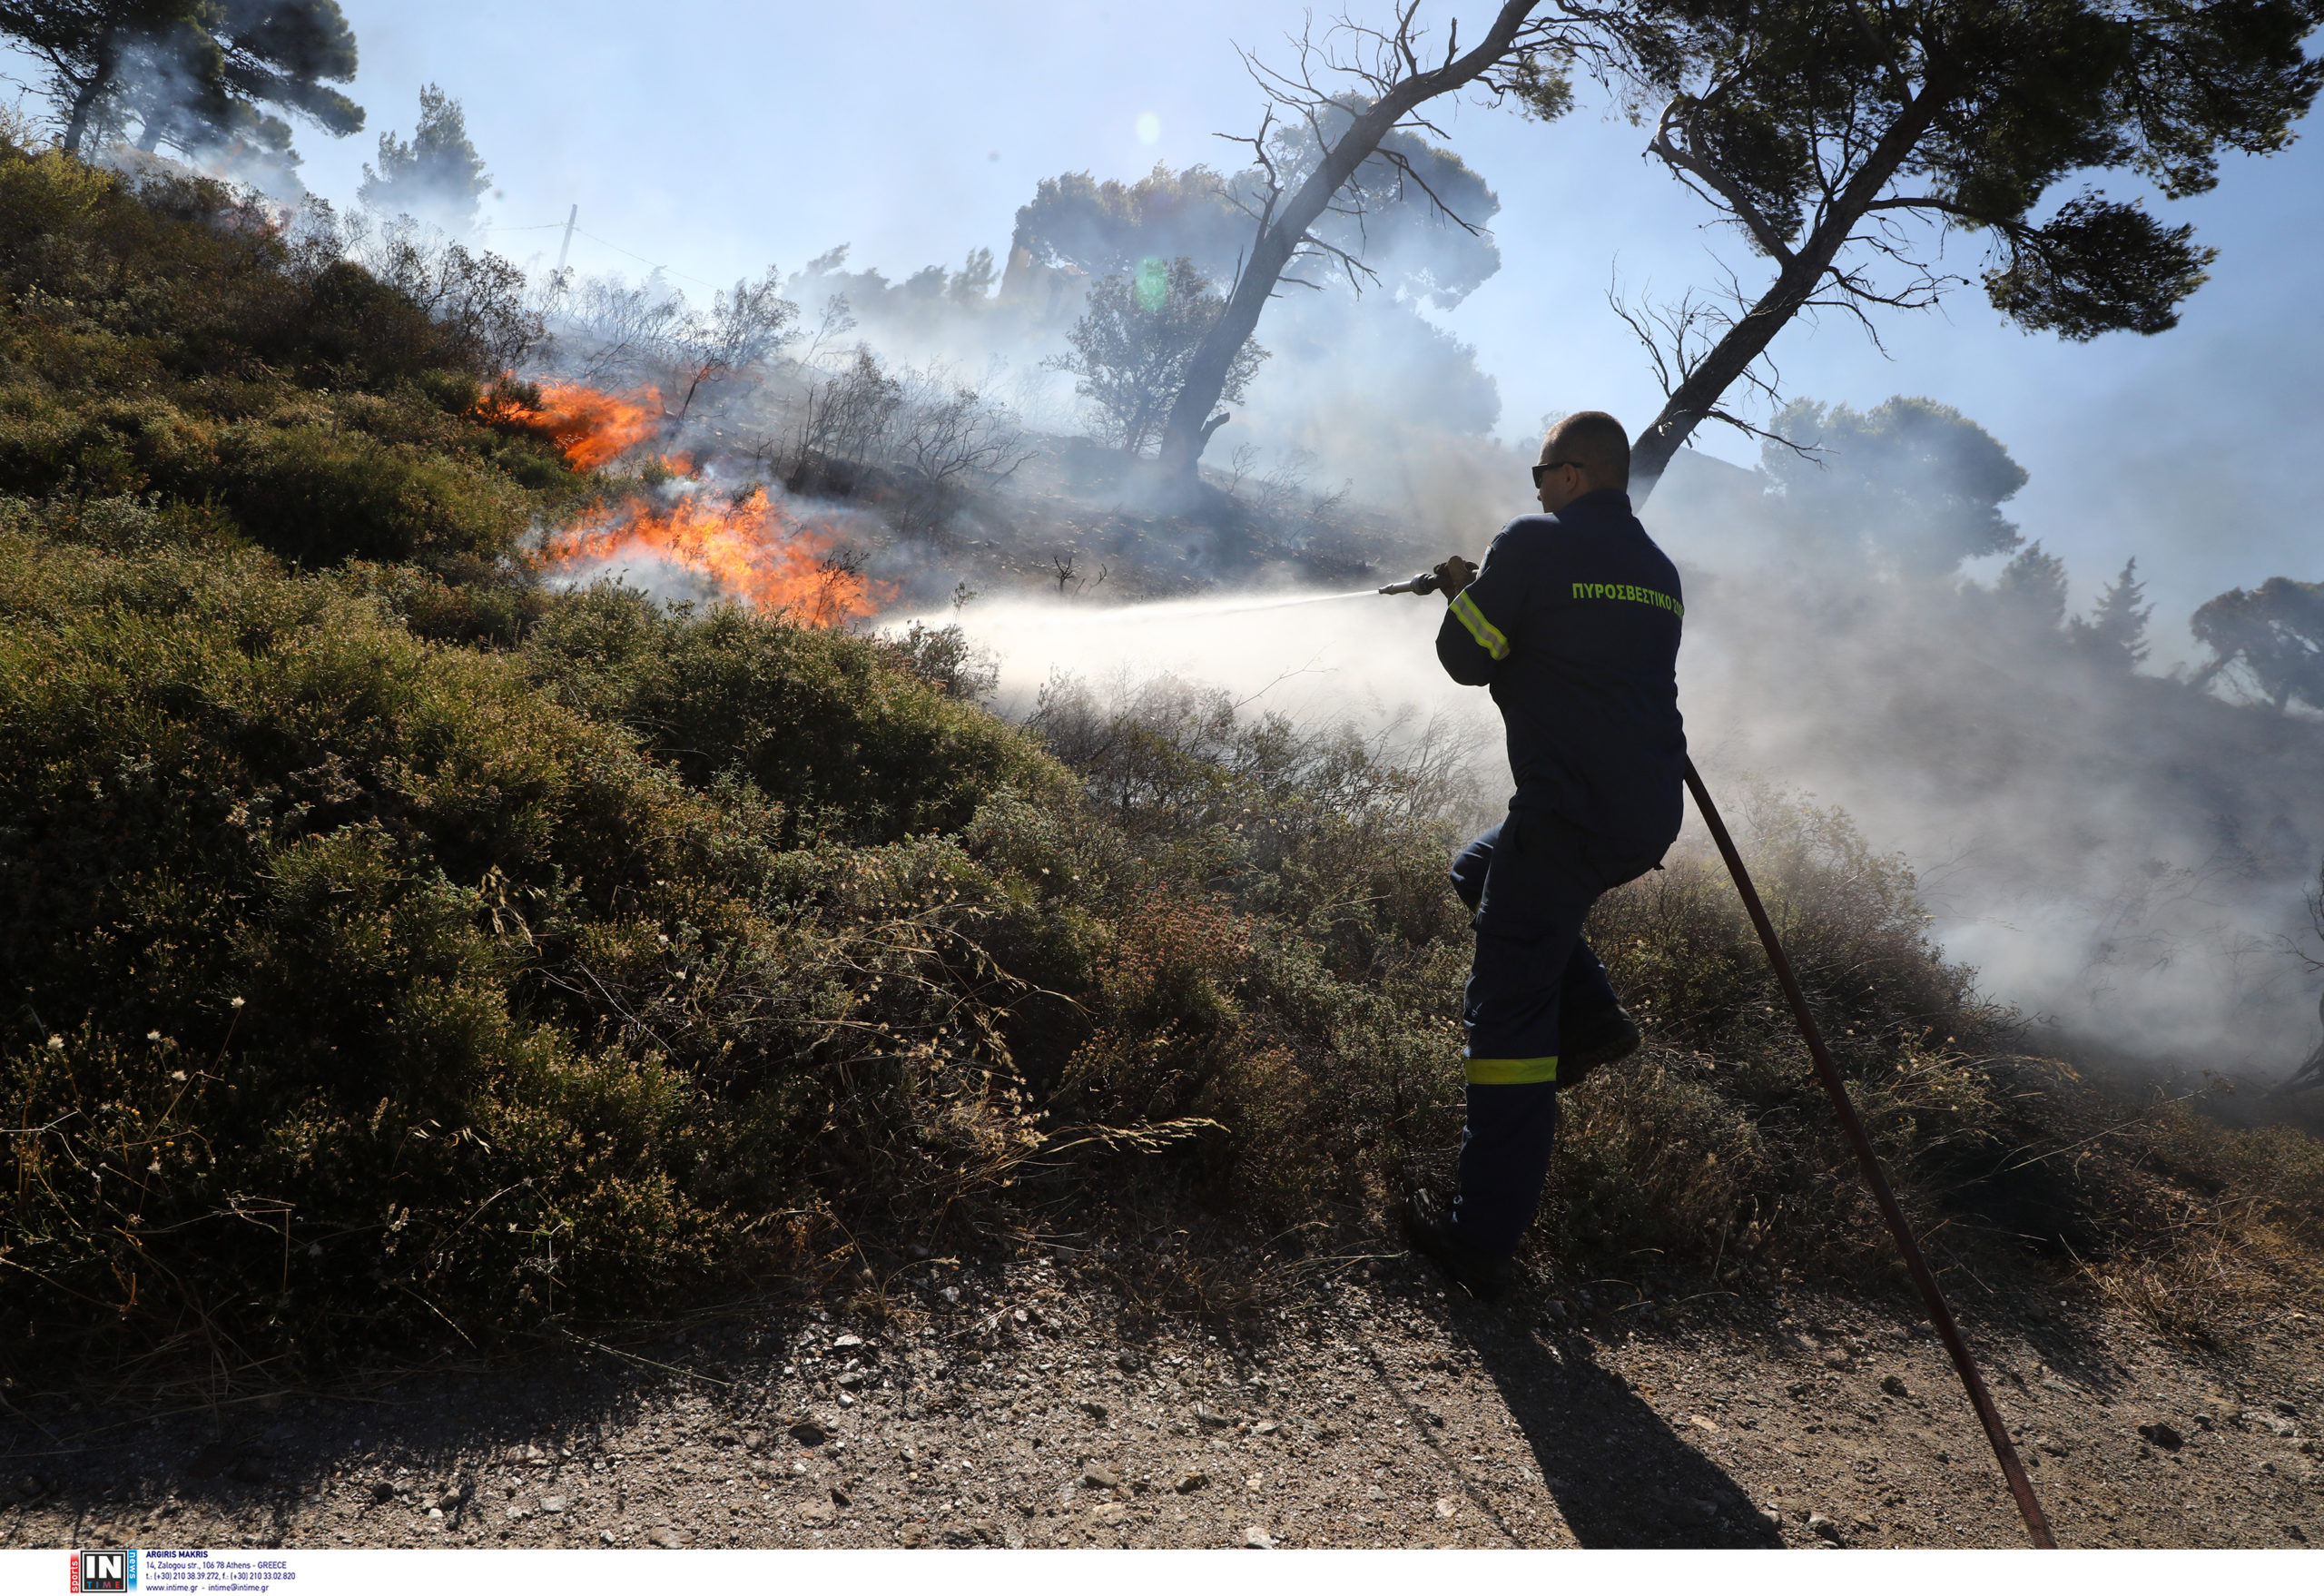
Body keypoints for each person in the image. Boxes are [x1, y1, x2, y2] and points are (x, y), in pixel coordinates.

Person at [1404, 410, 1689, 1299]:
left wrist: (1464, 588)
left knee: (1509, 1030)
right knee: (1480, 870)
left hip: (1566, 815)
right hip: (1642, 814)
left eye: (1539, 471)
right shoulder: (1657, 570)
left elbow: (1469, 657)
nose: (1532, 486)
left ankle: (1478, 1241)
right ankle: (1594, 1018)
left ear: (1571, 474)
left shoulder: (1533, 540)